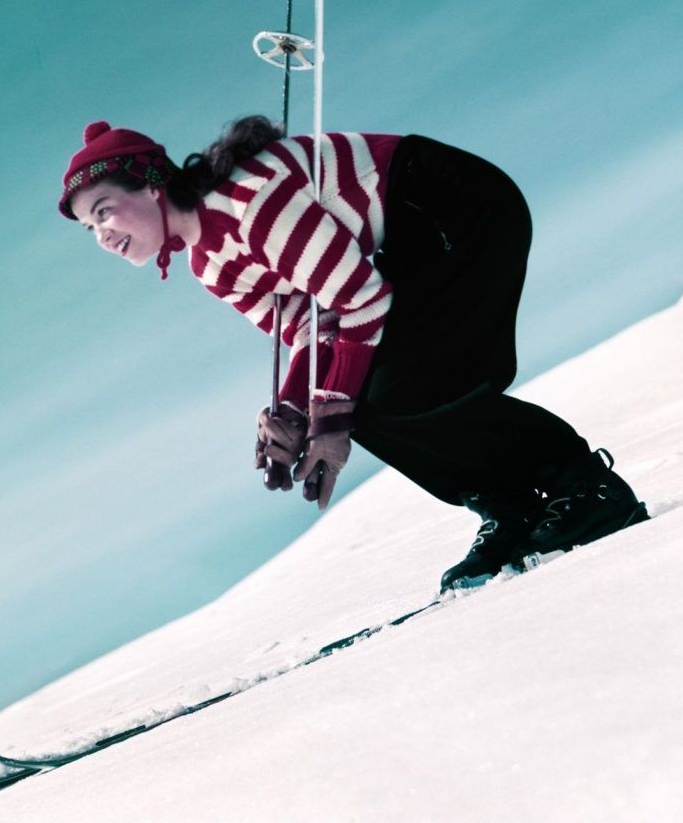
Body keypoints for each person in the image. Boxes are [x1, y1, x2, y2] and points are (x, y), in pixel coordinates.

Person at [58, 116, 648, 592]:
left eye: (104, 210)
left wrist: (329, 421)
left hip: (454, 207)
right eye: (89, 228)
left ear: (151, 184)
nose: (102, 235)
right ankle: (511, 507)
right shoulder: (208, 263)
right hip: (408, 249)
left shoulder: (248, 202)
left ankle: (587, 488)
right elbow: (315, 333)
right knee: (357, 394)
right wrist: (293, 416)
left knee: (397, 387)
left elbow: (361, 303)